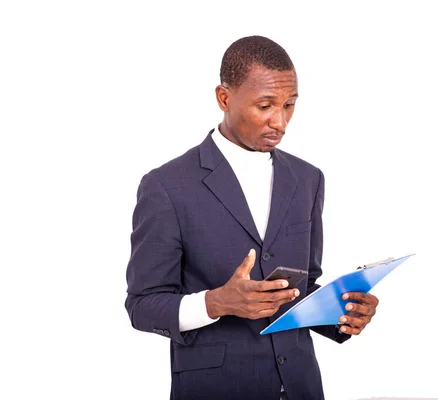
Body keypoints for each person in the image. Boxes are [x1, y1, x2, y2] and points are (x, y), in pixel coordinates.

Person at [125, 35, 380, 400]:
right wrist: (216, 303)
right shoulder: (166, 187)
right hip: (215, 388)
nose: (281, 121)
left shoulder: (308, 179)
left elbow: (300, 290)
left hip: (301, 387)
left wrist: (343, 312)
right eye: (265, 105)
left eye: (289, 104)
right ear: (224, 98)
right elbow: (142, 305)